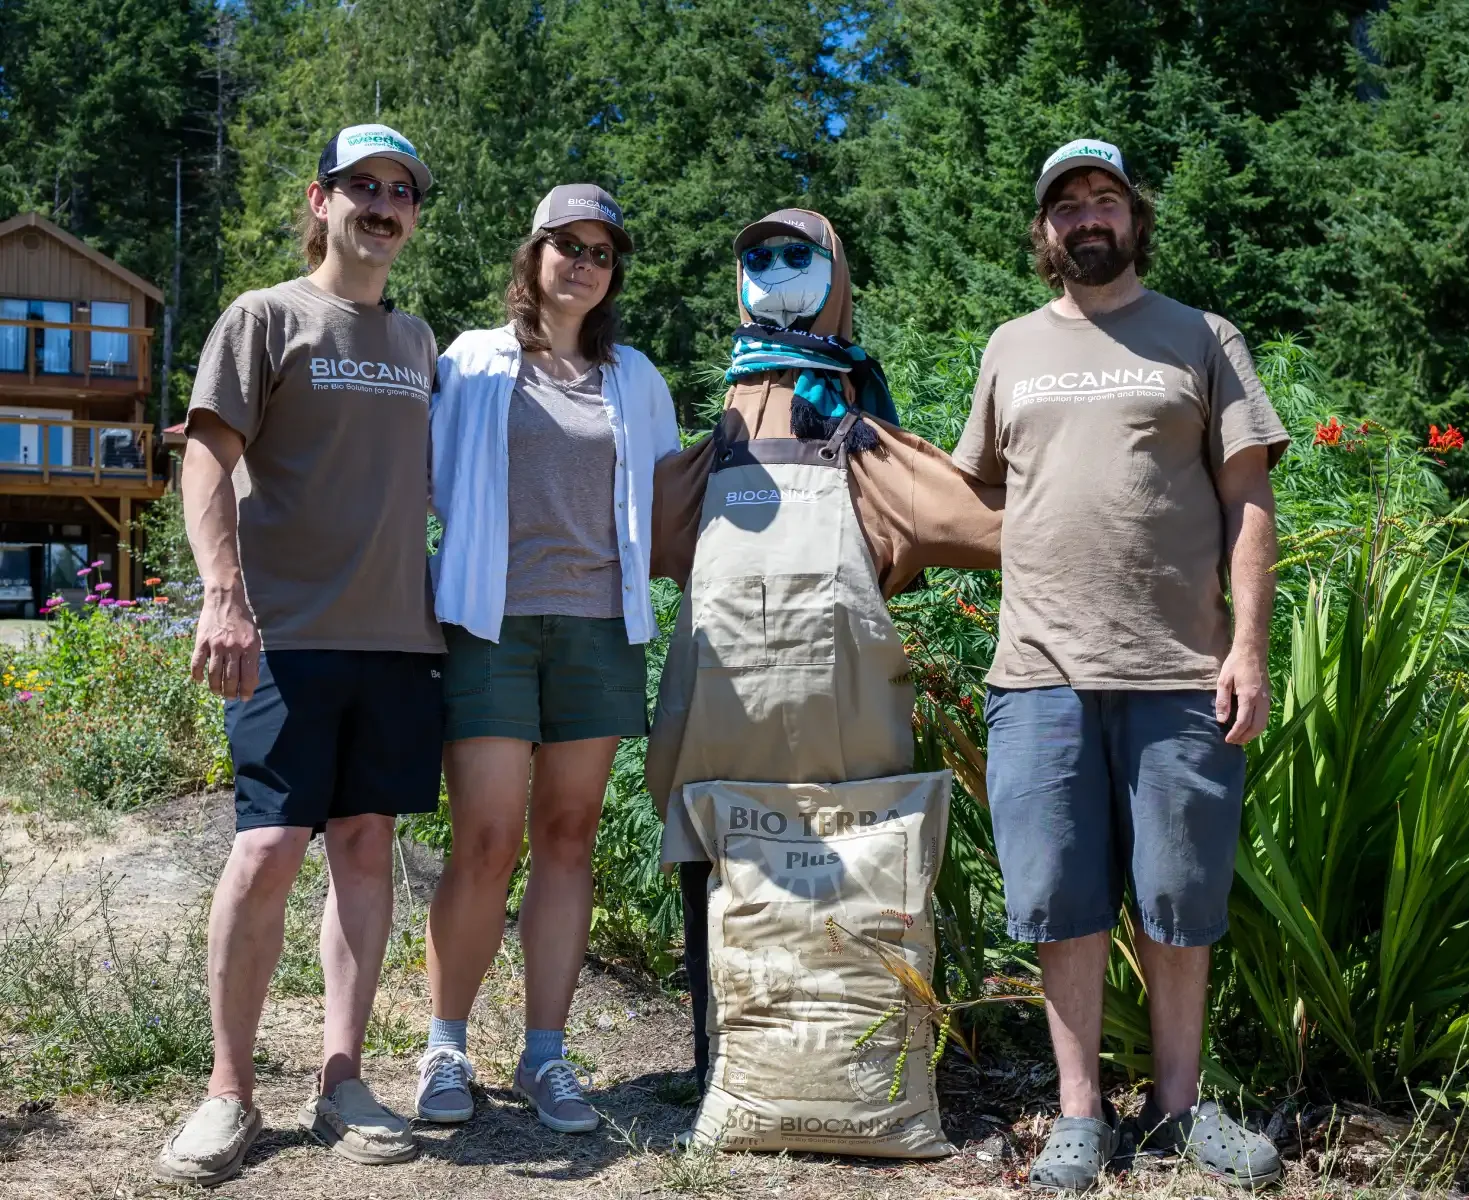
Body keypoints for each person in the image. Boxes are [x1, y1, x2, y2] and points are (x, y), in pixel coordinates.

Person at [952, 139, 1289, 1191]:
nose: (1087, 215)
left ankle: (1180, 1113)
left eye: (1106, 198)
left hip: (1180, 672)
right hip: (1038, 672)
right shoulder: (1009, 346)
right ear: (1045, 233)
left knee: (1178, 902)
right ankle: (1080, 1118)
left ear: (1135, 220)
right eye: (1067, 203)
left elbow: (1249, 502)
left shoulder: (1202, 336)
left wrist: (1246, 648)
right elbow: (972, 498)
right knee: (1061, 901)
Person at [647, 208, 1007, 1099]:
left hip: (837, 736)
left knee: (851, 885)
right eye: (757, 259)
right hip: (717, 725)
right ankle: (719, 1062)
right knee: (709, 863)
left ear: (834, 274)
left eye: (794, 255)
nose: (773, 269)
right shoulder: (712, 451)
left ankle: (856, 1073)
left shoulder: (863, 438)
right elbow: (638, 530)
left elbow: (985, 518)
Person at [155, 124, 444, 1187]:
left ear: (412, 215)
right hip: (285, 636)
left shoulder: (418, 344)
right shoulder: (266, 317)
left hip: (399, 639)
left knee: (368, 848)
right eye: (361, 185)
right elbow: (205, 459)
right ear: (319, 201)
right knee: (268, 850)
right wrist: (222, 596)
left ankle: (341, 1079)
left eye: (400, 190)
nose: (381, 203)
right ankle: (229, 1090)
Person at [413, 185, 679, 1134]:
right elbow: (419, 480)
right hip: (489, 622)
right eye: (565, 244)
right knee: (486, 839)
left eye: (601, 252)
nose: (582, 262)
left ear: (613, 276)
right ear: (531, 254)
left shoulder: (636, 377)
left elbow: (664, 497)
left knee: (569, 835)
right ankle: (445, 1046)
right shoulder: (471, 361)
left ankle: (545, 1056)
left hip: (600, 626)